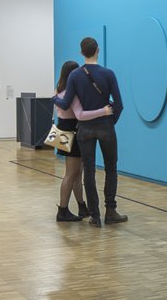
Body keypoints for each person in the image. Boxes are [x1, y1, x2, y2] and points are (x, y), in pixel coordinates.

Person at [53, 37, 127, 227]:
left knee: (88, 171)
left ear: (81, 52)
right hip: (105, 127)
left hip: (84, 130)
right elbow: (119, 104)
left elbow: (67, 101)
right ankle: (110, 211)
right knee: (111, 168)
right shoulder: (109, 74)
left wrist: (54, 98)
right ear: (98, 50)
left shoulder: (74, 76)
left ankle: (94, 216)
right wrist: (110, 121)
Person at [52, 61, 112, 222]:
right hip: (73, 131)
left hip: (62, 130)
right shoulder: (71, 94)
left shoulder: (59, 91)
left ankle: (81, 207)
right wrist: (103, 111)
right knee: (72, 174)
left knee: (76, 173)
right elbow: (80, 115)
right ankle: (63, 211)